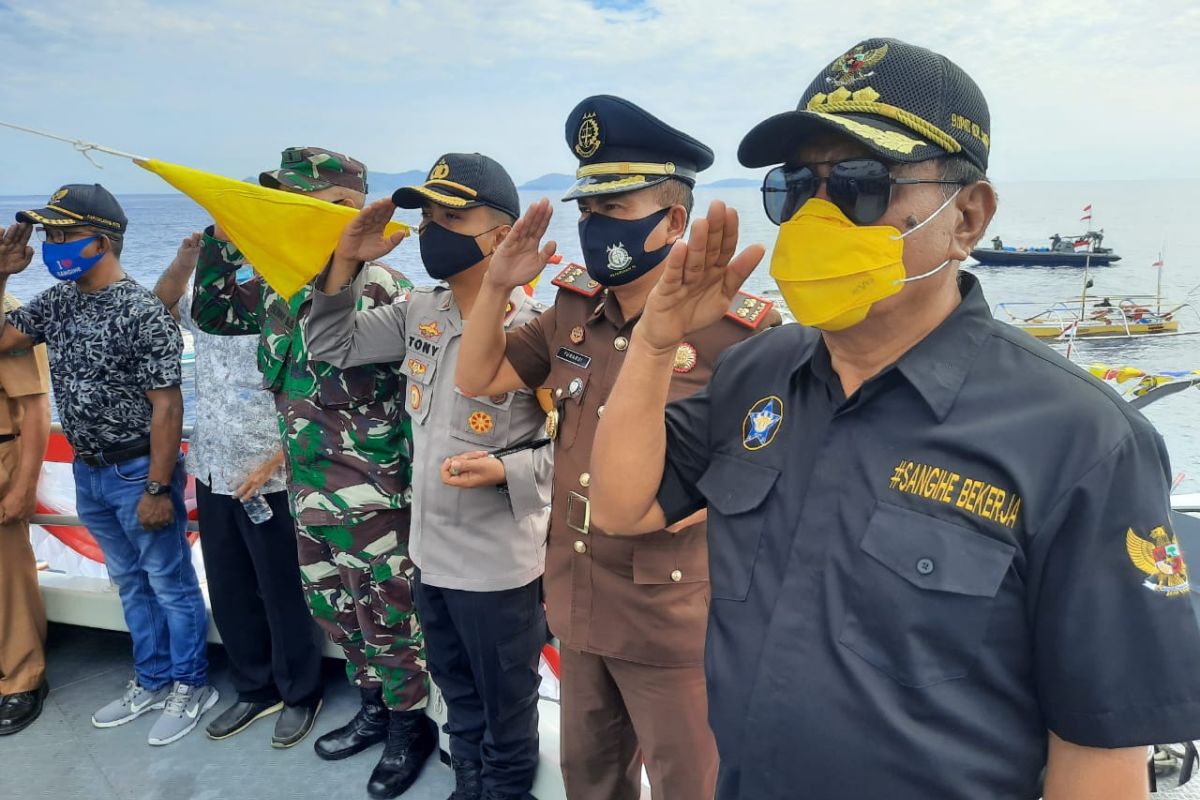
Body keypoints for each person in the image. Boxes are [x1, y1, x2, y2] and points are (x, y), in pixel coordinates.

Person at [587, 37, 1200, 799]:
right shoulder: (758, 371)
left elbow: (1100, 751)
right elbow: (620, 506)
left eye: (859, 183)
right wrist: (655, 341)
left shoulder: (1083, 439)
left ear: (967, 217)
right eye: (794, 188)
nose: (815, 215)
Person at [455, 96, 777, 800]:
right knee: (590, 781)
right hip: (578, 603)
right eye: (587, 210)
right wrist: (497, 288)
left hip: (671, 623)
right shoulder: (575, 309)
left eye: (617, 209)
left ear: (675, 221)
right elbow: (478, 375)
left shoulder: (741, 337)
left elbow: (756, 484)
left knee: (687, 784)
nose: (595, 226)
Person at [190, 147, 435, 799]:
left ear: (350, 211)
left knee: (387, 619)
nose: (291, 213)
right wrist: (225, 232)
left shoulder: (385, 291)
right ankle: (373, 709)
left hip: (375, 500)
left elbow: (422, 403)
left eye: (307, 201)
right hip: (308, 495)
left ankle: (410, 726)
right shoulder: (282, 286)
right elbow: (212, 313)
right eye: (283, 200)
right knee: (337, 614)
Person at [307, 152, 553, 800]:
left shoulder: (535, 330)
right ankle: (467, 786)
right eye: (428, 215)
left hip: (499, 568)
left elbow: (574, 455)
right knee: (459, 699)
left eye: (452, 215)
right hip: (430, 557)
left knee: (506, 711)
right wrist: (345, 264)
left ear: (502, 236)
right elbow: (331, 345)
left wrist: (506, 468)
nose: (430, 229)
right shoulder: (423, 311)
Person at [0, 185, 215, 746]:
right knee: (128, 583)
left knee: (169, 583)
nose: (51, 245)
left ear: (103, 240)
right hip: (89, 472)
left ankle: (191, 686)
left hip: (136, 470)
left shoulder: (140, 309)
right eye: (49, 235)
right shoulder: (58, 300)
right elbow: (2, 343)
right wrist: (2, 275)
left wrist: (155, 488)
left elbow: (168, 405)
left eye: (63, 234)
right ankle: (150, 679)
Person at [154, 234, 324, 748]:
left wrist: (280, 459)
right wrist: (186, 258)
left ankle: (300, 693)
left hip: (271, 478)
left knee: (282, 590)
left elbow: (313, 393)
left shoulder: (292, 309)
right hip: (211, 467)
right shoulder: (212, 308)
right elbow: (159, 304)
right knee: (227, 586)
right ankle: (253, 687)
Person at [0, 272, 51, 737]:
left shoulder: (10, 317)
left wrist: (23, 484)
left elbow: (35, 406)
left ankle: (22, 678)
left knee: (7, 575)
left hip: (1, 454)